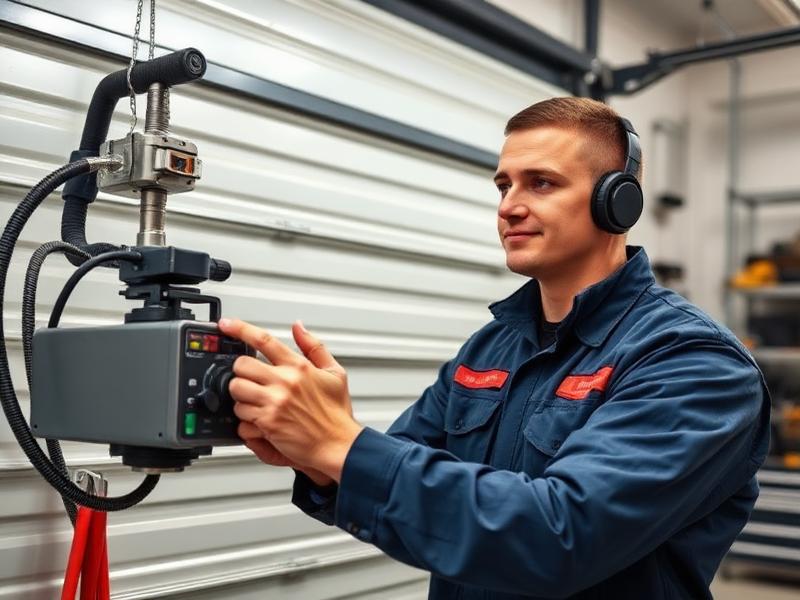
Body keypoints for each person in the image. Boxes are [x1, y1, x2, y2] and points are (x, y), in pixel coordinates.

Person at [217, 97, 770, 599]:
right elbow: (401, 488)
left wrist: (341, 443)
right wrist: (317, 457)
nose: (509, 207)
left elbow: (560, 537)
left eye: (541, 183)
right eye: (504, 186)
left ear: (616, 203)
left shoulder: (695, 362)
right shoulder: (491, 346)